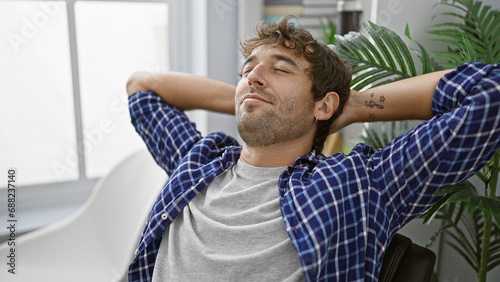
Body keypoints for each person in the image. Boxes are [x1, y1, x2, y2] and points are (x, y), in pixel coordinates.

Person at [125, 16, 500, 282]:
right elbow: (142, 87)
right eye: (248, 70)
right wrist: (254, 96)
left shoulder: (359, 185)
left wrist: (354, 104)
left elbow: (490, 95)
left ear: (324, 106)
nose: (253, 75)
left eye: (281, 69)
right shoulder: (198, 162)